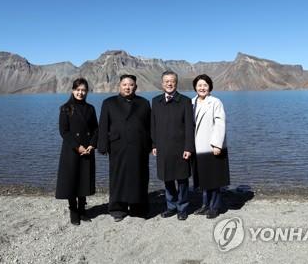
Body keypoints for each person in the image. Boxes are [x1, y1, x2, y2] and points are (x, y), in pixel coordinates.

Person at [98, 74, 151, 221]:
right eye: (125, 84)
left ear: (136, 86)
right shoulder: (109, 103)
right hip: (117, 146)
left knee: (139, 176)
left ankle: (138, 208)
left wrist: (152, 144)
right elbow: (103, 125)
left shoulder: (144, 103)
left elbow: (150, 126)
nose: (128, 87)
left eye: (131, 84)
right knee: (117, 177)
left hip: (139, 146)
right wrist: (102, 145)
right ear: (119, 86)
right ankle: (117, 209)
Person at [151, 70, 195, 221]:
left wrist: (189, 147)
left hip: (180, 147)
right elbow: (153, 125)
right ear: (162, 83)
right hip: (163, 147)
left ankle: (182, 207)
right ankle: (171, 206)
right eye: (166, 81)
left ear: (176, 83)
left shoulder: (185, 101)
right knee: (167, 177)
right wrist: (154, 144)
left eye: (172, 81)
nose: (169, 84)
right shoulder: (155, 101)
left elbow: (190, 126)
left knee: (182, 179)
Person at [55, 78, 98, 226]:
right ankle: (74, 211)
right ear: (73, 90)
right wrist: (77, 146)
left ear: (87, 91)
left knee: (84, 180)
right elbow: (64, 132)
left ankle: (82, 209)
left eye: (83, 90)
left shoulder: (90, 108)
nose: (80, 92)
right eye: (78, 89)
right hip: (72, 151)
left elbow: (95, 129)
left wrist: (92, 145)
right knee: (71, 180)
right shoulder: (65, 108)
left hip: (87, 149)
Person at [191, 74, 230, 219]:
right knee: (203, 179)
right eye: (199, 85)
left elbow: (220, 123)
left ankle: (215, 207)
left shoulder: (215, 102)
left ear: (210, 87)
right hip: (197, 147)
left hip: (211, 146)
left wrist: (217, 144)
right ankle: (204, 205)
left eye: (205, 85)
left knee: (215, 179)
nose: (202, 88)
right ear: (195, 87)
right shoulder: (192, 102)